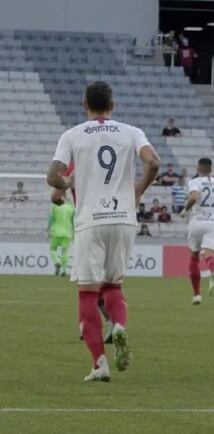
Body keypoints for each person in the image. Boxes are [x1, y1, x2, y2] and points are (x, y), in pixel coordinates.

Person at [46, 80, 160, 382]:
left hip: (91, 221)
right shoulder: (131, 132)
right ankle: (119, 326)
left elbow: (52, 177)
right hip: (123, 219)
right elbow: (153, 162)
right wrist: (137, 191)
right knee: (113, 287)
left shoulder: (72, 135)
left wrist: (67, 183)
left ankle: (99, 364)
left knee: (87, 293)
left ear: (85, 104)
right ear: (113, 105)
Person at [184, 158, 214, 305]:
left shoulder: (195, 182)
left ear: (198, 168)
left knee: (194, 258)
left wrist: (186, 209)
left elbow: (193, 196)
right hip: (212, 223)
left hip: (196, 222)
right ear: (211, 169)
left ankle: (197, 295)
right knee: (209, 256)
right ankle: (213, 272)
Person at [49, 192, 75, 277]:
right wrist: (74, 232)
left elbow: (51, 219)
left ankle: (57, 262)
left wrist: (48, 229)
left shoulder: (55, 207)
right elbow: (73, 221)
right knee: (65, 252)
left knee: (52, 249)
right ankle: (64, 271)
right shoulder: (71, 208)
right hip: (67, 233)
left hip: (56, 232)